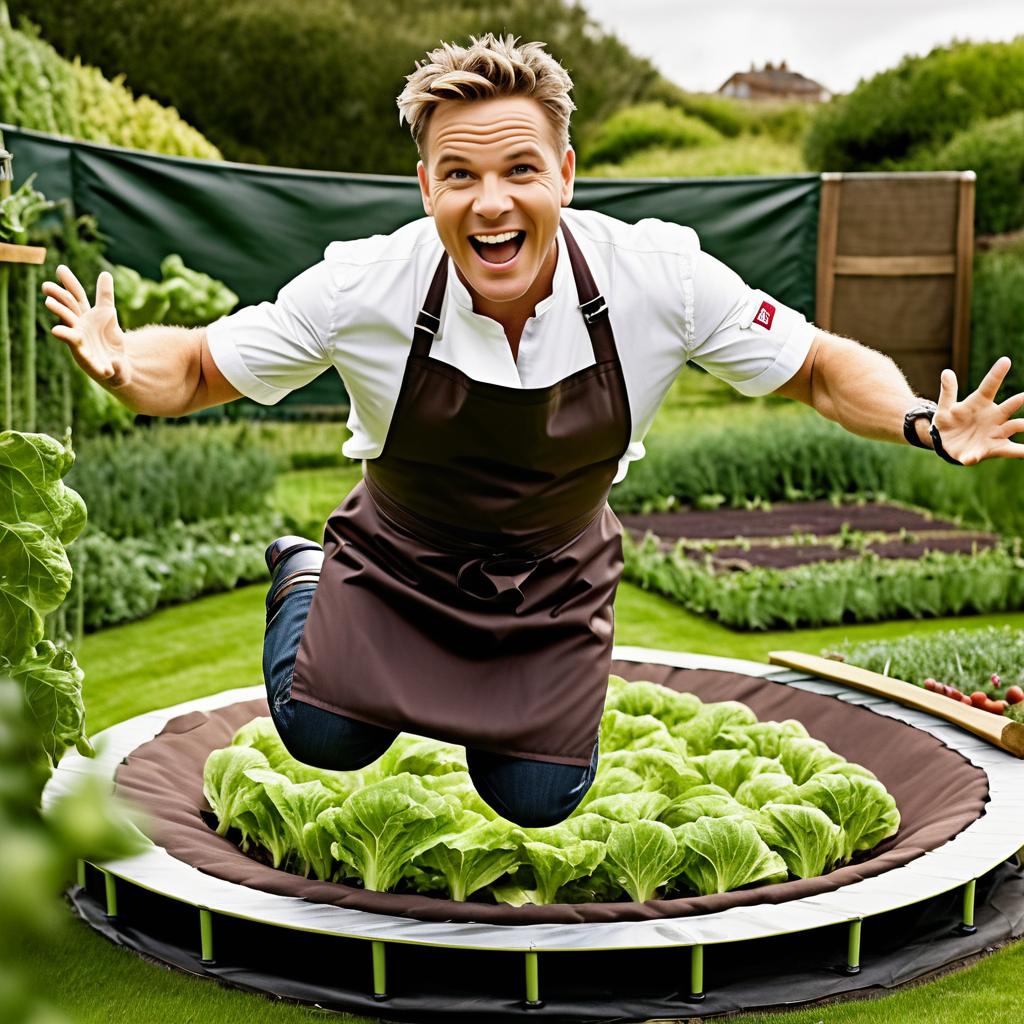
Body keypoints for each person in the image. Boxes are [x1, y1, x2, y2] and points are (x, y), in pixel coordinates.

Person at [41, 34, 1022, 828]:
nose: (492, 201)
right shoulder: (362, 285)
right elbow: (205, 364)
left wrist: (914, 418)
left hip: (553, 566)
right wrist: (127, 364)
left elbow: (814, 365)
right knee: (325, 737)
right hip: (398, 554)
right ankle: (305, 573)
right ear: (427, 187)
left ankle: (513, 733)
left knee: (537, 799)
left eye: (518, 168)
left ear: (565, 170)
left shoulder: (663, 280)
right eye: (459, 174)